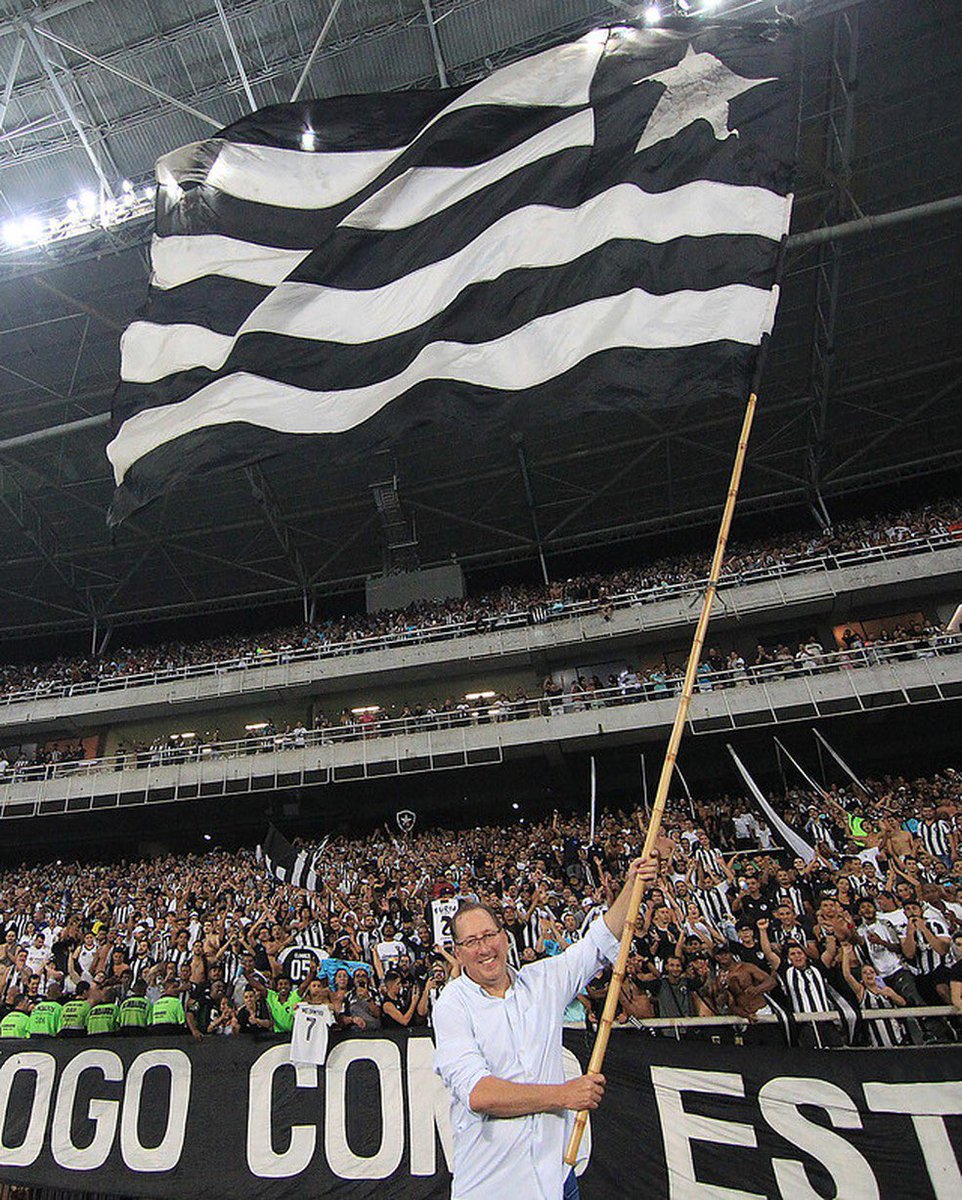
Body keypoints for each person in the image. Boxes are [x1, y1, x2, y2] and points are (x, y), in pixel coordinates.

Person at [433, 854, 658, 1200]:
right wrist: (563, 1095)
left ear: (505, 938)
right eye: (471, 942)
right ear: (458, 953)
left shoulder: (543, 981)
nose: (484, 948)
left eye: (489, 935)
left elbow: (600, 940)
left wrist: (633, 882)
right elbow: (480, 1094)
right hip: (494, 1187)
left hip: (557, 1181)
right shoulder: (452, 1005)